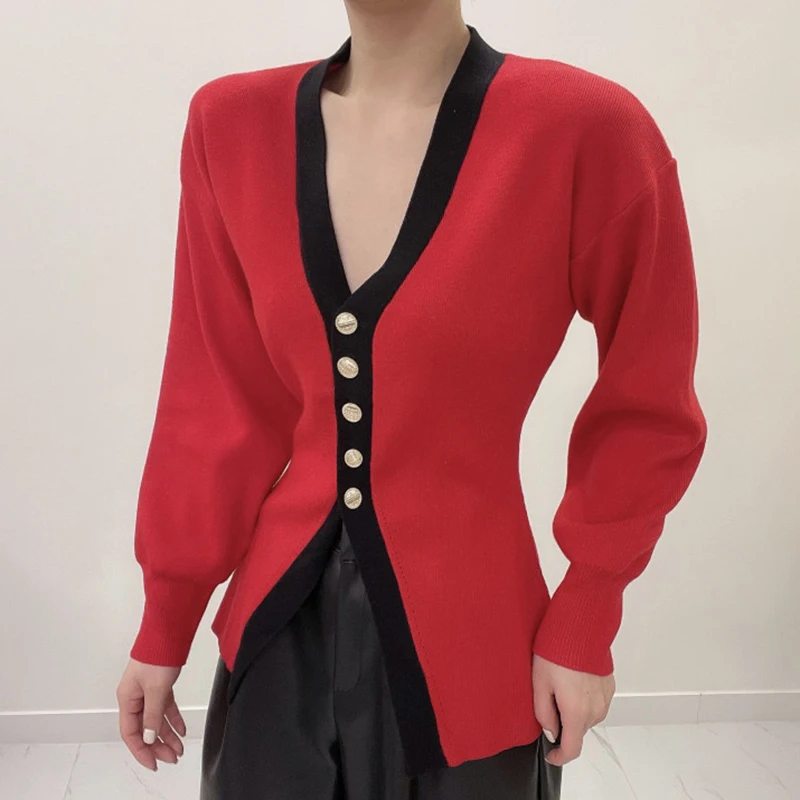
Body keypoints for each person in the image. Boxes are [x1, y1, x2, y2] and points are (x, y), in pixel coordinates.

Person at [116, 1, 708, 798]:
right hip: (275, 648)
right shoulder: (229, 125)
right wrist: (165, 620)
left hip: (476, 646)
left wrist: (587, 610)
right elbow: (216, 396)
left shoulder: (584, 129)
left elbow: (651, 400)